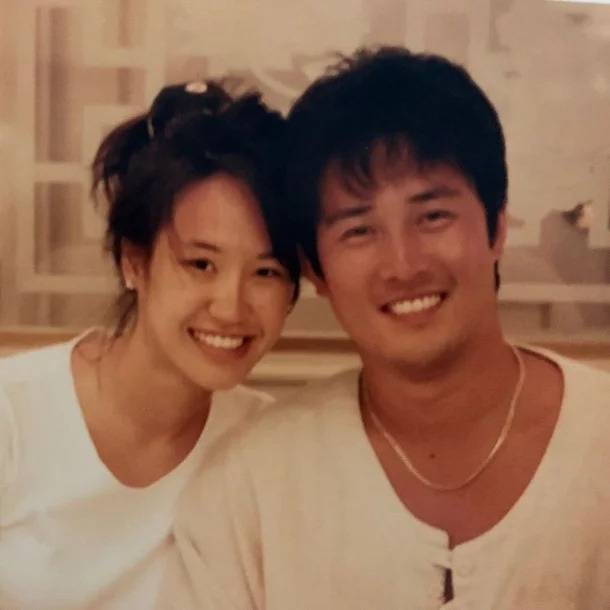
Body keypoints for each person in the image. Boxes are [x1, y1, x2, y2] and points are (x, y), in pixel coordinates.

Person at [161, 47, 610, 609]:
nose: (402, 264)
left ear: (496, 227)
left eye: (433, 216)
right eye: (358, 230)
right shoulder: (252, 487)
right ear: (316, 270)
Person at [0, 81, 299, 610]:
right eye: (201, 264)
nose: (231, 307)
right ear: (133, 262)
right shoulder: (14, 413)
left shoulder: (267, 447)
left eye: (266, 272)